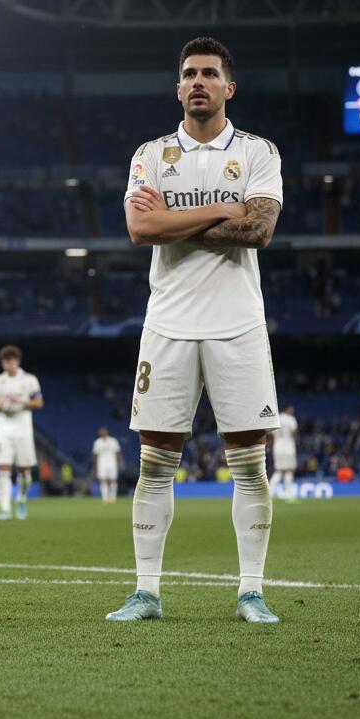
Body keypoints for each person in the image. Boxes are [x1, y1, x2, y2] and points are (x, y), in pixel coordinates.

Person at [109, 37, 284, 624]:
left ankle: (252, 592)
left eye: (210, 73)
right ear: (178, 87)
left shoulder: (258, 152)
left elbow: (258, 232)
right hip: (169, 325)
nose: (199, 81)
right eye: (189, 74)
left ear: (229, 87)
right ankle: (146, 592)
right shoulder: (151, 154)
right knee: (155, 463)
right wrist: (221, 211)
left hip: (238, 326)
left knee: (249, 465)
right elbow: (140, 229)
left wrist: (173, 222)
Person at [0, 346, 43, 521]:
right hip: (4, 427)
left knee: (24, 471)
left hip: (23, 427)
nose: (8, 363)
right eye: (5, 361)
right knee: (3, 468)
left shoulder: (29, 380)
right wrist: (1, 404)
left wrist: (22, 401)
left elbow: (39, 402)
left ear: (17, 361)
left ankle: (21, 499)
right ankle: (4, 508)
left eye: (11, 360)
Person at [270, 404, 299, 502]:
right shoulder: (291, 419)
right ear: (287, 409)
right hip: (288, 447)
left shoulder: (276, 418)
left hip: (277, 447)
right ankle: (288, 494)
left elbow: (271, 434)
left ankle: (270, 494)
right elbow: (293, 432)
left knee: (279, 470)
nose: (292, 410)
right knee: (289, 470)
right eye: (291, 408)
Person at [92, 427, 124, 504]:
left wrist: (120, 463)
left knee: (113, 480)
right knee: (103, 480)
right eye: (101, 432)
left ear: (107, 432)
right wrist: (94, 467)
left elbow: (118, 452)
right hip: (101, 464)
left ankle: (113, 498)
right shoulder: (97, 442)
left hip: (112, 463)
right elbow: (95, 456)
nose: (103, 433)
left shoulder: (112, 441)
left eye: (104, 431)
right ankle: (105, 498)